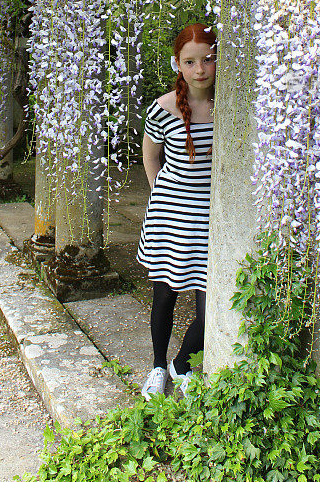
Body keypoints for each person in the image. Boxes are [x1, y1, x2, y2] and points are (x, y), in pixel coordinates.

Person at [137, 23, 216, 400]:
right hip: (172, 213)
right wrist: (160, 197)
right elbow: (150, 157)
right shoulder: (164, 108)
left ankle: (181, 363)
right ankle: (156, 366)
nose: (200, 69)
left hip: (211, 216)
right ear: (178, 65)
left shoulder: (228, 104)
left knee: (209, 304)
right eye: (190, 62)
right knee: (165, 295)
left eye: (207, 59)